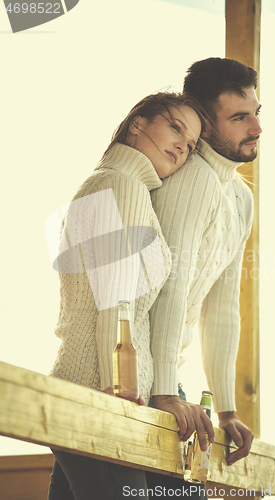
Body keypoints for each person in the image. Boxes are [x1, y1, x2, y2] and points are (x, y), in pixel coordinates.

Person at [47, 92, 204, 500]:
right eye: (175, 128)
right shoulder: (121, 185)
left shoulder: (119, 186)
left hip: (94, 393)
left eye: (190, 145)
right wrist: (120, 391)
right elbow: (114, 303)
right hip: (100, 394)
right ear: (137, 123)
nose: (181, 146)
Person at [148, 58, 262, 486]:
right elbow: (170, 286)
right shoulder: (192, 178)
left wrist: (229, 409)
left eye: (256, 113)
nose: (256, 128)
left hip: (162, 379)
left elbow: (222, 309)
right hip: (133, 378)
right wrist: (163, 394)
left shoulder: (241, 198)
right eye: (239, 117)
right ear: (207, 126)